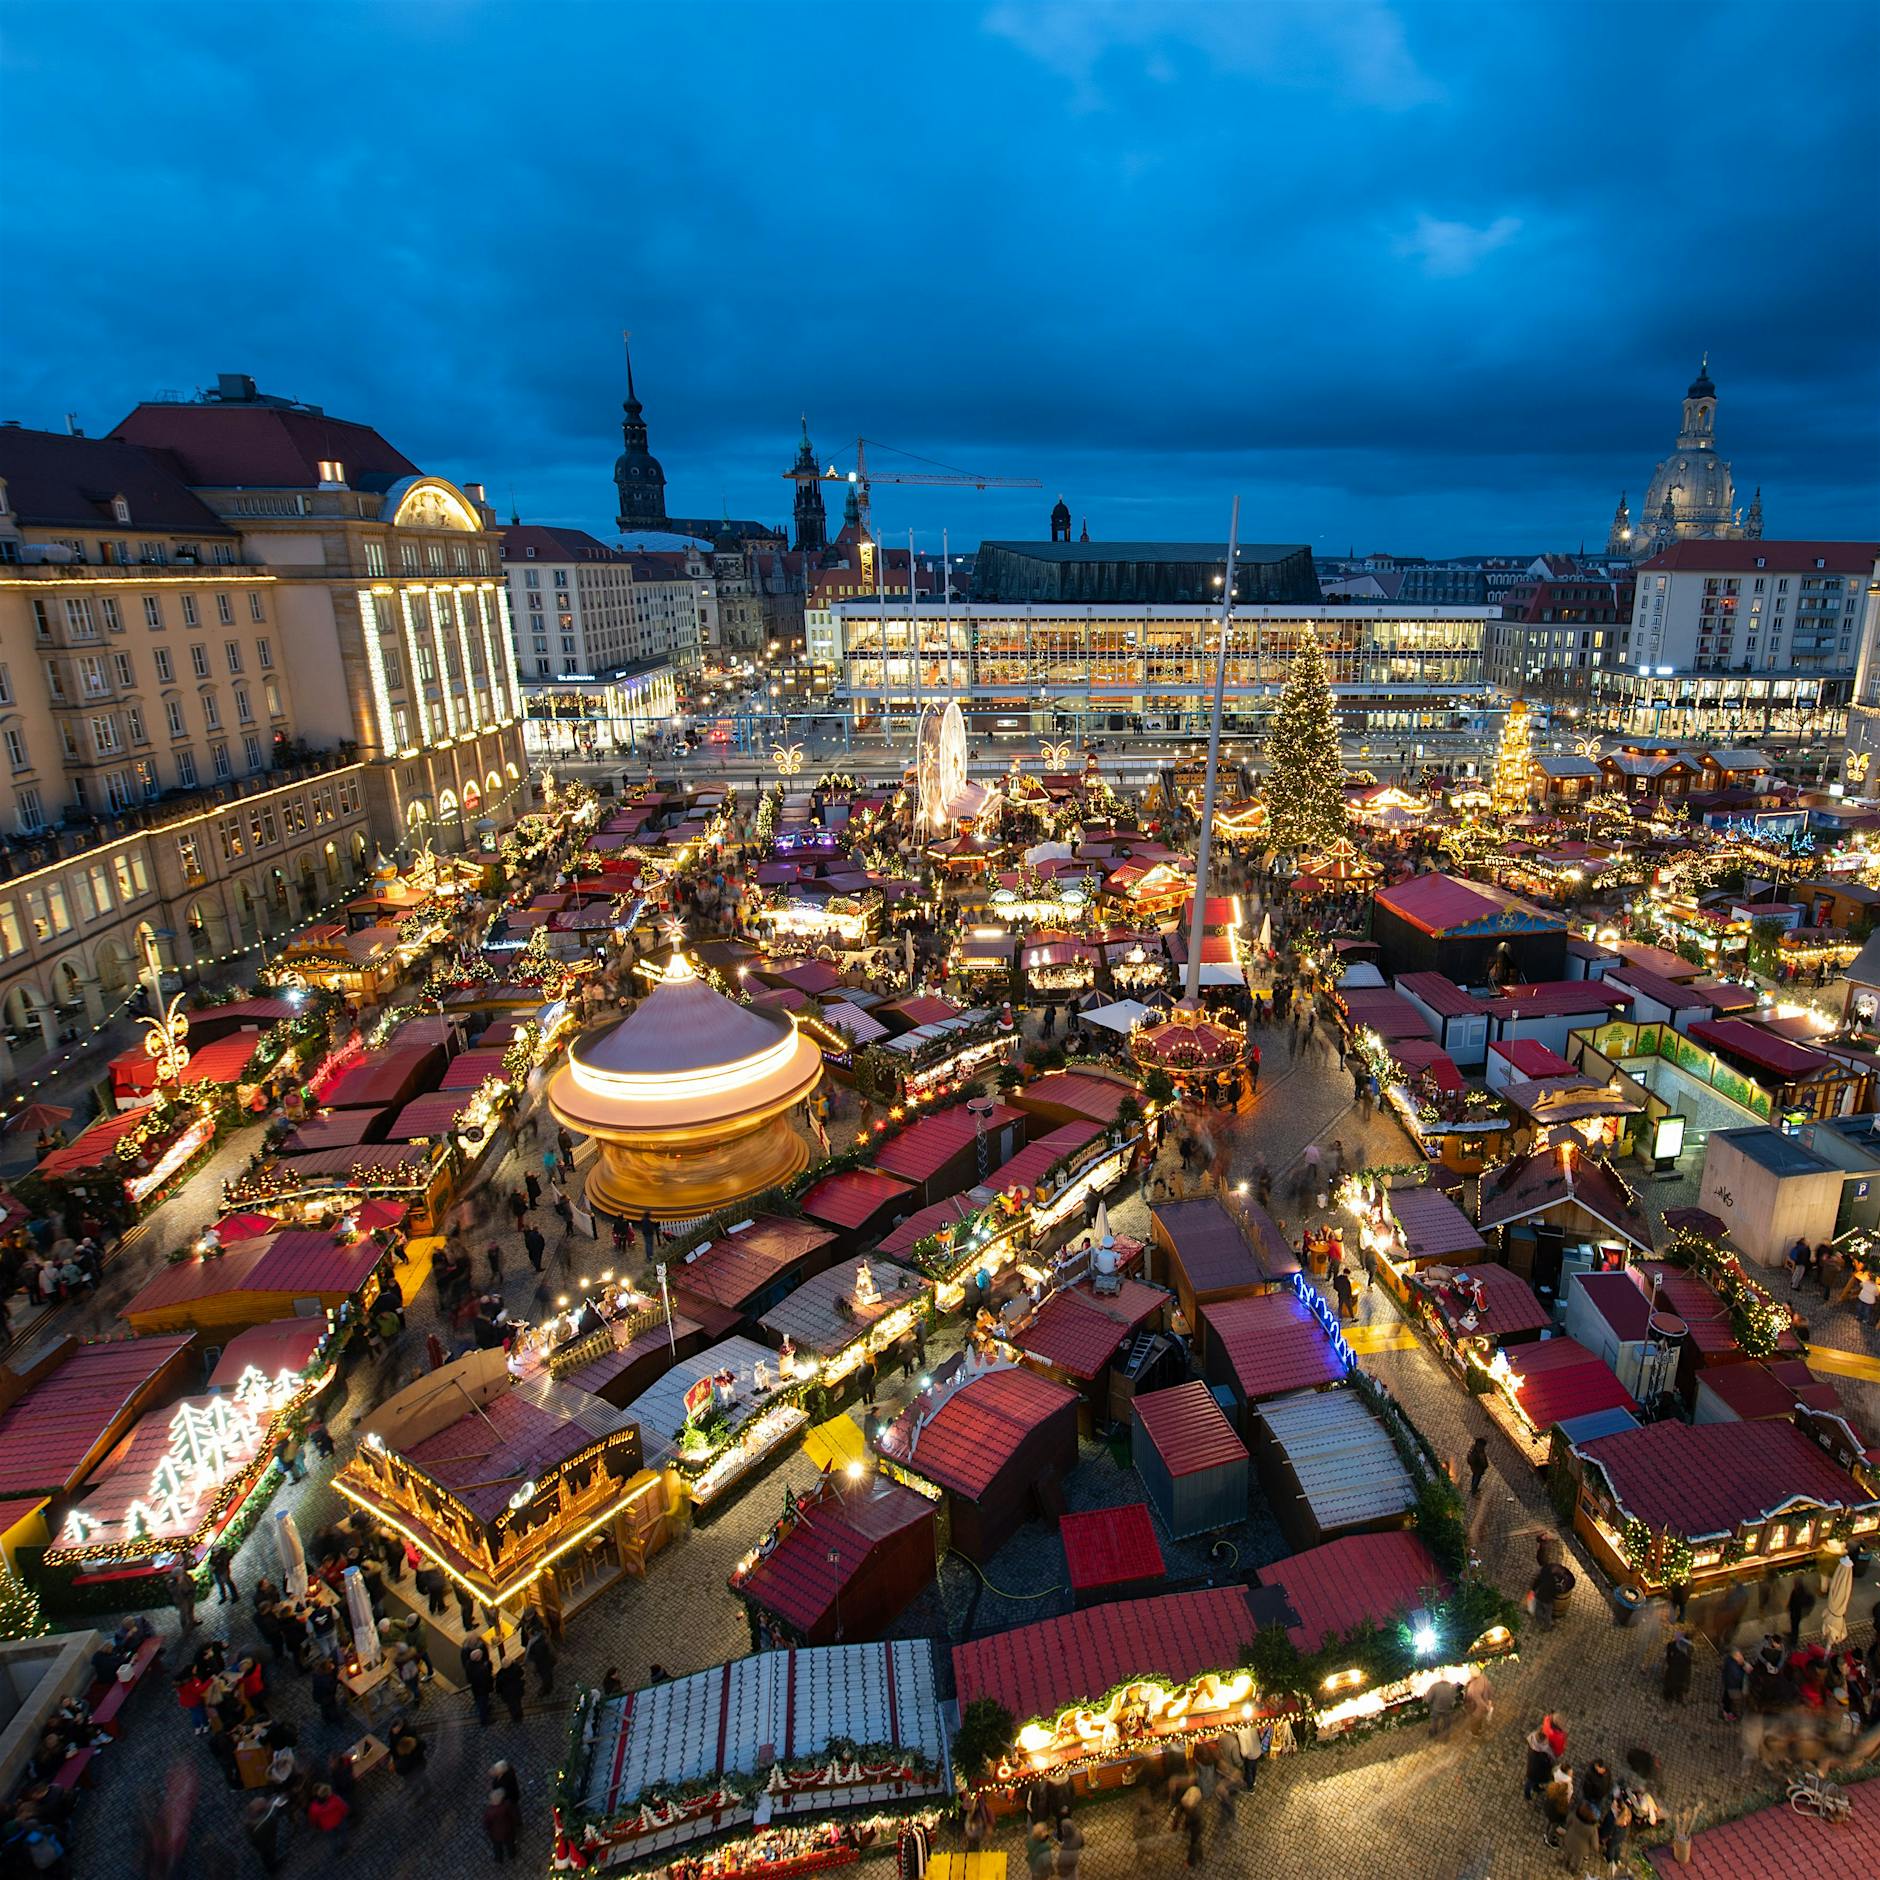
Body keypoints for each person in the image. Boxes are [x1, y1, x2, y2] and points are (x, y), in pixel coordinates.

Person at [1663, 1627, 1694, 1703]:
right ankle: (1676, 1694)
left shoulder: (1675, 1645)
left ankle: (1670, 1695)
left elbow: (1669, 1649)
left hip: (1676, 1667)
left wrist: (1669, 1660)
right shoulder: (1689, 1650)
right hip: (1679, 1669)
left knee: (1672, 1680)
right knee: (1678, 1682)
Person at [493, 1653, 526, 1723]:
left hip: (507, 1694)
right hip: (517, 1690)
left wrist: (498, 1691)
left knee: (511, 1706)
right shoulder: (516, 1667)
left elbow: (498, 1685)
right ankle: (519, 1714)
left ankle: (515, 1717)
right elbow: (521, 1673)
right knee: (518, 1703)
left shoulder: (501, 1674)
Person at [168, 1563, 197, 1632]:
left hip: (189, 1596)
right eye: (180, 1574)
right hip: (182, 1600)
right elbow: (174, 1592)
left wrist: (193, 1589)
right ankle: (185, 1627)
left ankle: (192, 1622)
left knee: (190, 1610)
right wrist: (178, 1583)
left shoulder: (184, 1575)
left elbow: (190, 1581)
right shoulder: (172, 1583)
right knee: (184, 1613)